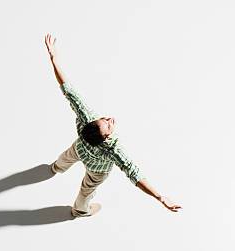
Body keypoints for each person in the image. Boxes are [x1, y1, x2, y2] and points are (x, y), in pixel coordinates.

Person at [44, 33, 182, 217]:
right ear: (107, 136)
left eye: (106, 119)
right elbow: (134, 173)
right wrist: (160, 197)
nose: (110, 120)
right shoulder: (113, 149)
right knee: (87, 189)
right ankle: (79, 210)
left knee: (66, 157)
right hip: (97, 169)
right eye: (108, 125)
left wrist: (54, 60)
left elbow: (68, 90)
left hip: (79, 149)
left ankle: (56, 168)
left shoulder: (87, 118)